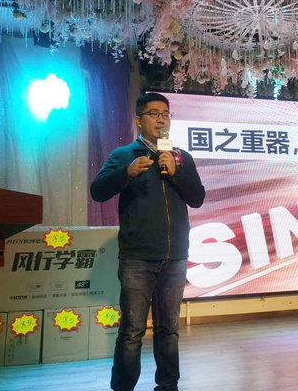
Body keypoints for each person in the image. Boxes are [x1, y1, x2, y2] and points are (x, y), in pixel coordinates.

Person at [90, 92, 205, 391]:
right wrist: (125, 173)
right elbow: (98, 191)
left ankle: (168, 386)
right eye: (154, 113)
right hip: (137, 258)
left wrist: (177, 173)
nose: (161, 119)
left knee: (169, 330)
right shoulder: (124, 155)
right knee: (131, 331)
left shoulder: (180, 157)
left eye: (165, 114)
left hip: (175, 256)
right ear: (138, 120)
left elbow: (197, 198)